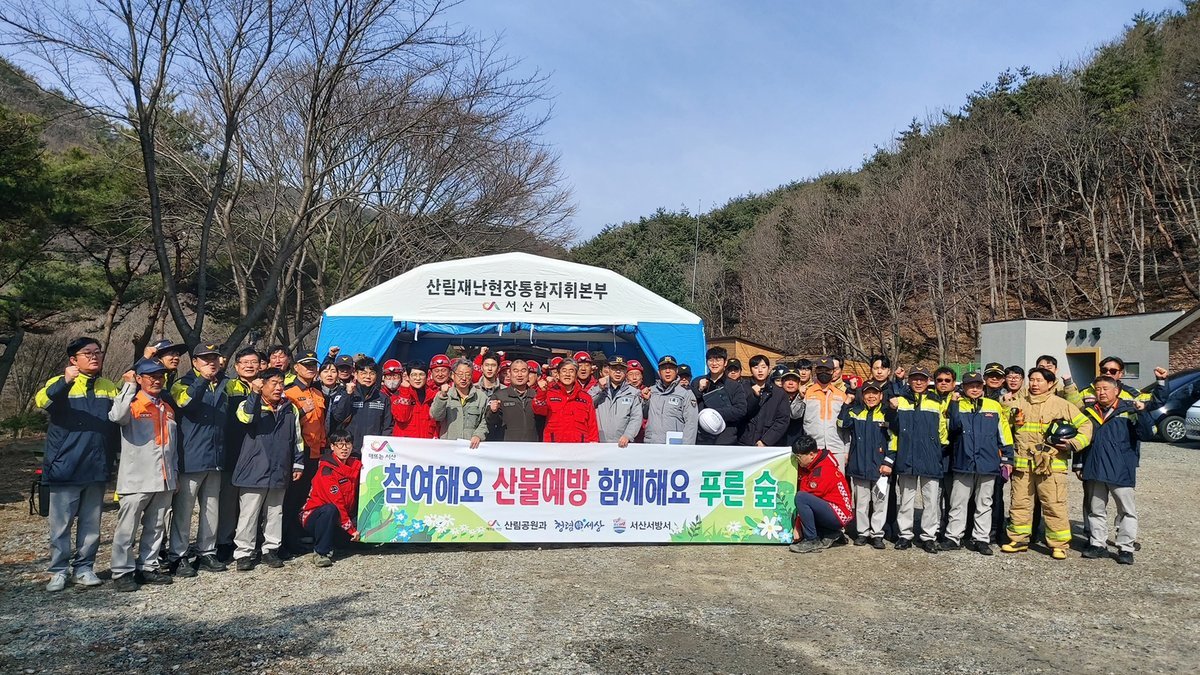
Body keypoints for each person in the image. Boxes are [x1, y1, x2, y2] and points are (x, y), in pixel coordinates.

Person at [35, 337, 120, 591]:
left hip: (96, 466)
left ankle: (84, 568)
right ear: (74, 360)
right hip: (65, 467)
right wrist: (65, 381)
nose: (94, 356)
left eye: (97, 352)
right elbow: (43, 402)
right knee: (61, 526)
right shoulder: (59, 382)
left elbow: (118, 422)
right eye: (87, 353)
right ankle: (58, 571)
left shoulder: (108, 387)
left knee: (91, 525)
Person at [1002, 367, 1093, 559]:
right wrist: (1004, 406)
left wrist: (1073, 444)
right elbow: (1003, 427)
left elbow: (1086, 425)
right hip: (1023, 466)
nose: (1035, 384)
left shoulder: (1061, 405)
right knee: (1019, 504)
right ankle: (1018, 540)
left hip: (1051, 466)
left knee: (1054, 505)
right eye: (1032, 380)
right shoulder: (1018, 403)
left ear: (1050, 383)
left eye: (1039, 380)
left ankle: (1059, 545)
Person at [108, 358, 179, 591]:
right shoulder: (131, 403)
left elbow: (172, 447)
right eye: (151, 376)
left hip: (164, 478)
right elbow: (116, 416)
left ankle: (148, 566)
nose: (157, 380)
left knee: (156, 526)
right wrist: (128, 386)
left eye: (160, 376)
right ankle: (122, 571)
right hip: (136, 479)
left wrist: (174, 474)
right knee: (127, 528)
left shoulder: (167, 408)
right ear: (139, 379)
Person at [1075, 375, 1157, 565]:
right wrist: (1078, 464)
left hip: (1121, 468)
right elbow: (1082, 440)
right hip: (1095, 467)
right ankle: (1098, 544)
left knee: (1126, 510)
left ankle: (1126, 548)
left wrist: (1143, 412)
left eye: (1105, 389)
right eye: (1098, 389)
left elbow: (1146, 434)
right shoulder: (1089, 412)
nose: (1101, 393)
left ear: (1117, 390)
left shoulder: (1129, 410)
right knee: (1095, 509)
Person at [231, 368, 304, 571]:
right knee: (249, 514)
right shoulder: (248, 403)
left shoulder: (290, 408)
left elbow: (297, 439)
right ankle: (244, 553)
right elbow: (246, 418)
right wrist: (254, 394)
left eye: (281, 383)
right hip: (253, 468)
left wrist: (298, 463)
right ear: (261, 385)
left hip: (280, 467)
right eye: (273, 383)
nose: (278, 387)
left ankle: (270, 549)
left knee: (275, 512)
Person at [168, 340, 230, 576]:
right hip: (190, 458)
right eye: (205, 359)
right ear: (195, 362)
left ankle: (207, 552)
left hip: (216, 458)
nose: (211, 363)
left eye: (214, 358)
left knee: (211, 509)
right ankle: (178, 555)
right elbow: (185, 403)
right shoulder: (182, 384)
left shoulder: (224, 384)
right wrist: (202, 380)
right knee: (184, 511)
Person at [942, 372, 1014, 555]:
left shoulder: (994, 406)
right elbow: (952, 428)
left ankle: (981, 539)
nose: (974, 389)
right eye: (970, 386)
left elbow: (1004, 433)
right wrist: (954, 404)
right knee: (958, 502)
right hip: (963, 461)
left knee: (984, 503)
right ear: (963, 387)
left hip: (988, 462)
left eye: (978, 386)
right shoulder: (956, 404)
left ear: (983, 387)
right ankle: (953, 537)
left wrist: (1007, 457)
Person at [885, 367, 948, 553]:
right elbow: (893, 428)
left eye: (922, 379)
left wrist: (937, 451)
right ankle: (905, 535)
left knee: (931, 501)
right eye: (914, 379)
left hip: (930, 458)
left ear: (928, 381)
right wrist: (892, 410)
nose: (918, 382)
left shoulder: (937, 402)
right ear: (909, 380)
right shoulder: (900, 401)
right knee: (906, 499)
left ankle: (929, 537)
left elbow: (943, 431)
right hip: (907, 457)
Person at [281, 349, 327, 556]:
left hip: (315, 452)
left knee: (302, 498)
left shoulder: (318, 393)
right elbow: (284, 422)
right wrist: (301, 410)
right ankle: (282, 542)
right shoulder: (288, 392)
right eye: (306, 365)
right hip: (298, 452)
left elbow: (321, 425)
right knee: (289, 499)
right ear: (296, 368)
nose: (310, 368)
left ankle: (294, 538)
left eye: (313, 365)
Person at [217, 347, 259, 561]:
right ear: (236, 366)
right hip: (232, 451)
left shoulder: (267, 385)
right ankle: (224, 541)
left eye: (254, 362)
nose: (250, 366)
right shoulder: (229, 386)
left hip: (258, 453)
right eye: (245, 362)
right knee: (228, 501)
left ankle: (251, 542)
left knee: (252, 503)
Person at [838, 381, 891, 549]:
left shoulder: (887, 414)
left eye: (875, 393)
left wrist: (888, 461)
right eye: (868, 393)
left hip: (880, 467)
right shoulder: (855, 412)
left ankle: (877, 534)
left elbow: (894, 439)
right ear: (862, 395)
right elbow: (841, 424)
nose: (871, 396)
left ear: (881, 396)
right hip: (859, 465)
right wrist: (847, 403)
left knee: (880, 502)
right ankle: (862, 533)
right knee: (861, 503)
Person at [300, 429, 362, 567]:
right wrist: (351, 530)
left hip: (342, 516)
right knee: (330, 509)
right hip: (315, 516)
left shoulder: (356, 466)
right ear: (332, 447)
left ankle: (338, 541)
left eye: (348, 444)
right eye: (340, 444)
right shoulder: (326, 471)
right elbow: (337, 503)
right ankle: (320, 552)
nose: (344, 448)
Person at [787, 435, 855, 554]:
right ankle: (831, 533)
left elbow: (807, 496)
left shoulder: (823, 469)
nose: (797, 460)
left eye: (799, 457)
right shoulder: (812, 464)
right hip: (832, 509)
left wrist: (797, 527)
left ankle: (812, 540)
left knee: (801, 497)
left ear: (811, 455)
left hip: (839, 512)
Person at [329, 357, 393, 454]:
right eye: (363, 373)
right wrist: (348, 395)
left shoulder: (383, 398)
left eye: (372, 373)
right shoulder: (345, 393)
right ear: (355, 374)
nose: (368, 377)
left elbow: (387, 427)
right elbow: (338, 416)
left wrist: (382, 448)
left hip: (373, 451)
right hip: (349, 450)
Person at [533, 357, 599, 443]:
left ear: (576, 375)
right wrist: (542, 392)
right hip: (554, 446)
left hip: (579, 446)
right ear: (558, 374)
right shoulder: (549, 393)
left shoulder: (586, 398)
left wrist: (594, 444)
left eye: (571, 371)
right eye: (564, 371)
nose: (567, 374)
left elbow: (592, 425)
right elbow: (538, 409)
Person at [691, 346, 747, 445]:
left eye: (718, 360)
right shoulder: (697, 382)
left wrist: (713, 413)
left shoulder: (734, 385)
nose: (714, 363)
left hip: (725, 438)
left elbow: (741, 410)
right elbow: (690, 405)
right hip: (701, 437)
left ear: (725, 363)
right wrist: (699, 390)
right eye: (711, 360)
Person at [801, 357, 851, 467]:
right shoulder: (807, 392)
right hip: (813, 449)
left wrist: (846, 450)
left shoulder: (841, 395)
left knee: (836, 478)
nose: (823, 373)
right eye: (820, 370)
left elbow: (846, 427)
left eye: (827, 370)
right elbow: (796, 415)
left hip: (837, 448)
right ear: (815, 371)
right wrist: (799, 397)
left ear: (833, 372)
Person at [430, 359, 489, 447]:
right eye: (460, 374)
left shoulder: (481, 397)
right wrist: (442, 396)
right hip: (449, 446)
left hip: (472, 447)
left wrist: (478, 435)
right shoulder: (445, 395)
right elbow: (436, 416)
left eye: (468, 374)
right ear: (452, 375)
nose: (464, 378)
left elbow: (486, 420)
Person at [642, 355, 698, 444]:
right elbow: (644, 415)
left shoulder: (686, 394)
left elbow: (691, 423)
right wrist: (646, 401)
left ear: (676, 371)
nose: (667, 371)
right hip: (651, 443)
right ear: (659, 372)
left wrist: (687, 447)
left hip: (674, 445)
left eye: (671, 368)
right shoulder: (651, 391)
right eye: (664, 368)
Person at [739, 354, 791, 447]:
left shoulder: (779, 393)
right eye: (756, 367)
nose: (760, 370)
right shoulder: (742, 389)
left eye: (763, 367)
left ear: (768, 369)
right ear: (750, 370)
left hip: (769, 444)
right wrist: (754, 397)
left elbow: (782, 420)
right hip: (744, 442)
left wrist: (766, 441)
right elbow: (740, 413)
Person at [589, 356, 642, 447]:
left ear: (625, 371)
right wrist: (599, 388)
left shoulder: (633, 393)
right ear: (609, 370)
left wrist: (628, 435)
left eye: (621, 369)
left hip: (622, 443)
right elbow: (587, 404)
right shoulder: (598, 388)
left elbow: (636, 417)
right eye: (614, 368)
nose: (618, 372)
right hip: (599, 442)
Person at [487, 358, 542, 442]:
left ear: (528, 373)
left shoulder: (536, 396)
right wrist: (493, 411)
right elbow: (489, 422)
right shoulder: (499, 396)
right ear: (510, 373)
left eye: (523, 371)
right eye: (516, 371)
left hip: (532, 446)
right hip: (507, 446)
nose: (519, 375)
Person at [391, 362, 440, 438]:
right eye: (414, 375)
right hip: (406, 443)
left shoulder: (434, 396)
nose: (418, 378)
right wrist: (405, 392)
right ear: (408, 376)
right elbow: (401, 417)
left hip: (427, 442)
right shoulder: (397, 395)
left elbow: (437, 423)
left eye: (421, 374)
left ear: (427, 376)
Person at [780, 369, 807, 448]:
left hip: (799, 443)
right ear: (782, 382)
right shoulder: (775, 398)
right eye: (787, 380)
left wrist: (800, 397)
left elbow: (795, 415)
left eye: (794, 380)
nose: (791, 383)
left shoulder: (805, 397)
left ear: (799, 383)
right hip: (779, 442)